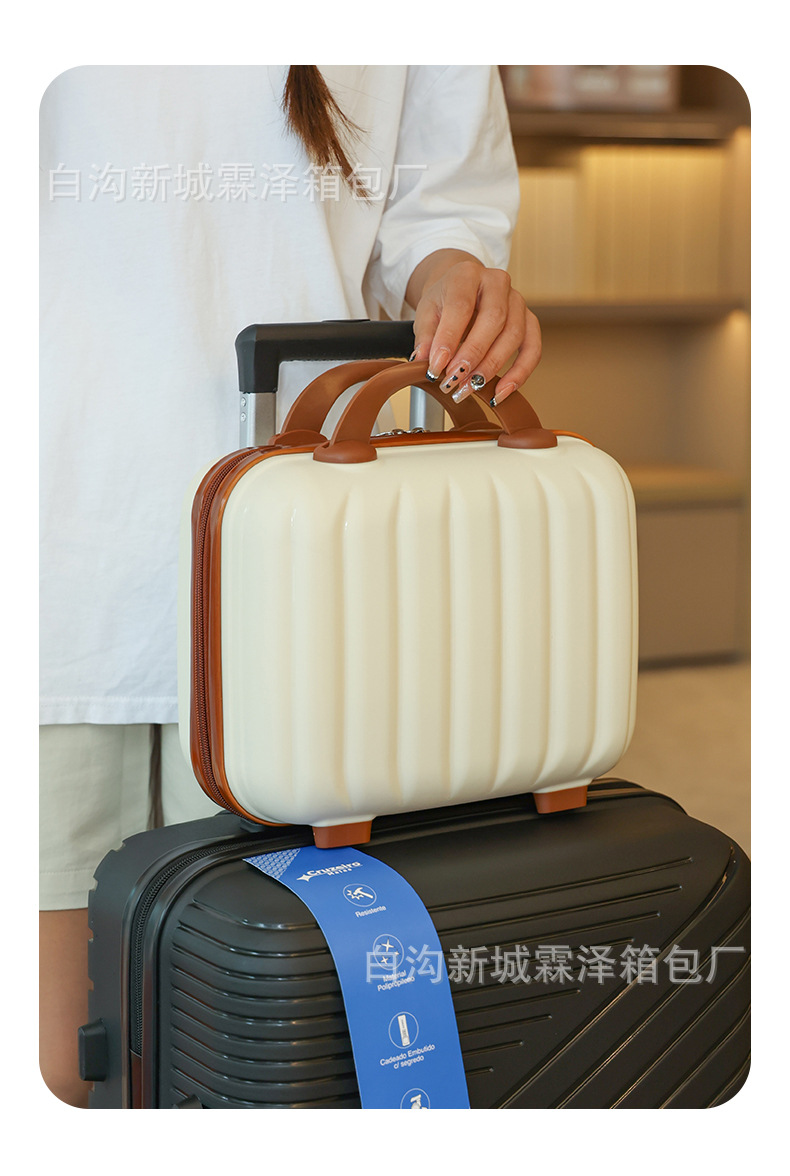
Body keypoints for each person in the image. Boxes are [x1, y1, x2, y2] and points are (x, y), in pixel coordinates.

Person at [39, 64, 542, 1106]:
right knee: (55, 1071)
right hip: (53, 557)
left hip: (302, 566)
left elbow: (439, 206)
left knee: (266, 1053)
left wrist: (460, 278)